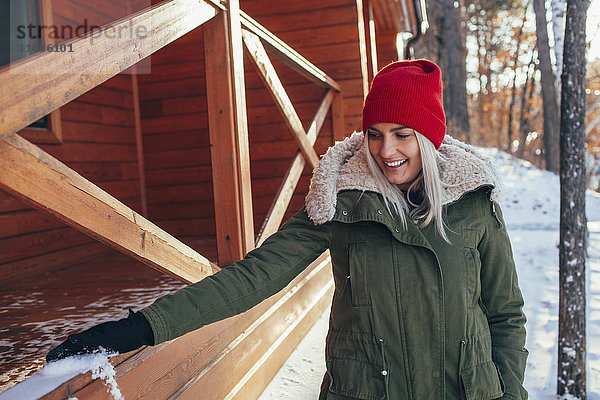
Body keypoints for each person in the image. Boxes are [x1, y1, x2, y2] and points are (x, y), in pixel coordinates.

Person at [47, 59, 528, 399]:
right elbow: (255, 276)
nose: (386, 151)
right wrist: (141, 326)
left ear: (428, 136)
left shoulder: (473, 204)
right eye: (375, 135)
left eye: (403, 135)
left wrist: (510, 394)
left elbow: (505, 314)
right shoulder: (341, 203)